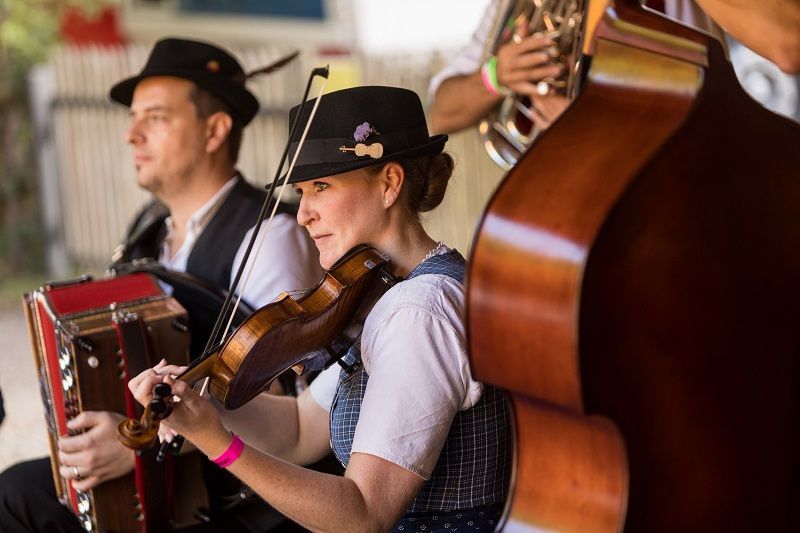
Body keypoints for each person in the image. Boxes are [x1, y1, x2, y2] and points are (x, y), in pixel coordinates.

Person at [127, 85, 514, 532]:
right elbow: (297, 429)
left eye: (322, 187)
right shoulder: (383, 292)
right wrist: (202, 412)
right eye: (300, 191)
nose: (302, 213)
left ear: (389, 184)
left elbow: (363, 514)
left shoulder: (418, 311)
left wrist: (220, 446)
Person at [0, 38, 322, 532]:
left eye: (155, 117)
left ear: (215, 130)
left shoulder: (271, 237)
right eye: (134, 118)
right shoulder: (147, 234)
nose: (132, 134)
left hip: (229, 504)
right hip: (150, 488)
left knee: (17, 500)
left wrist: (140, 443)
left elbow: (285, 400)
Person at [428, 0, 799, 137]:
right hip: (566, 208)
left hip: (684, 190)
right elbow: (438, 115)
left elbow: (789, 43)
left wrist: (589, 132)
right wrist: (496, 76)